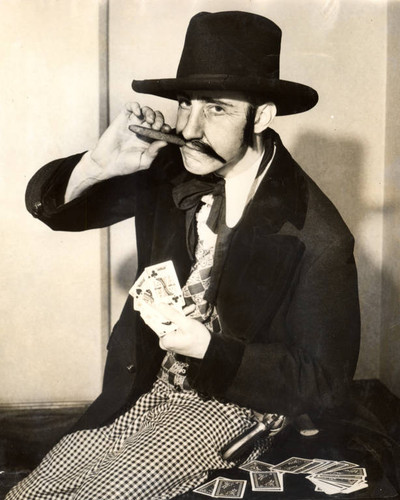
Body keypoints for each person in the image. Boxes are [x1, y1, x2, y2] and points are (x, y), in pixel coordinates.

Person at [7, 11, 361, 500]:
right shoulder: (172, 168)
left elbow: (324, 383)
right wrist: (99, 163)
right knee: (34, 491)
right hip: (145, 387)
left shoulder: (318, 233)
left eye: (215, 109)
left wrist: (210, 348)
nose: (189, 128)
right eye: (184, 104)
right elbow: (55, 211)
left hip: (235, 404)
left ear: (260, 116)